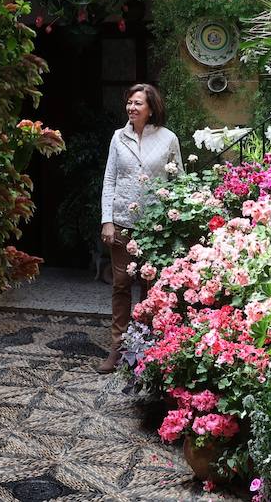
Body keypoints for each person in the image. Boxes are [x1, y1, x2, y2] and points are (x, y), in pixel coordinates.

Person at [96, 82, 182, 374]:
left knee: (151, 288)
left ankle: (145, 349)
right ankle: (117, 349)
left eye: (137, 103)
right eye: (129, 103)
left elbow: (178, 182)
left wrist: (174, 220)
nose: (131, 108)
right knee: (121, 285)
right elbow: (109, 180)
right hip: (122, 222)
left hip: (155, 226)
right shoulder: (118, 137)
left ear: (151, 107)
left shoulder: (168, 138)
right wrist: (107, 220)